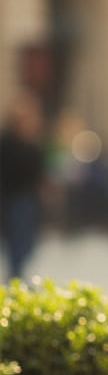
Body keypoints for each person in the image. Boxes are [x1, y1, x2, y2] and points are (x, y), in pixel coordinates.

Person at [0, 91, 46, 280]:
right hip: (11, 198)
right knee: (16, 241)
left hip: (28, 199)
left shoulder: (33, 143)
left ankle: (18, 275)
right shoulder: (7, 143)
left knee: (28, 242)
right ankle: (16, 277)